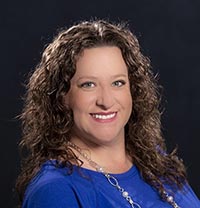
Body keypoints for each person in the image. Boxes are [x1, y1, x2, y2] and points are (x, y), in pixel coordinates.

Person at [16, 20, 200, 208]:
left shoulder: (155, 162)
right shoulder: (55, 191)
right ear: (62, 96)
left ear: (133, 89)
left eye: (118, 83)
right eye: (88, 84)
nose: (106, 101)